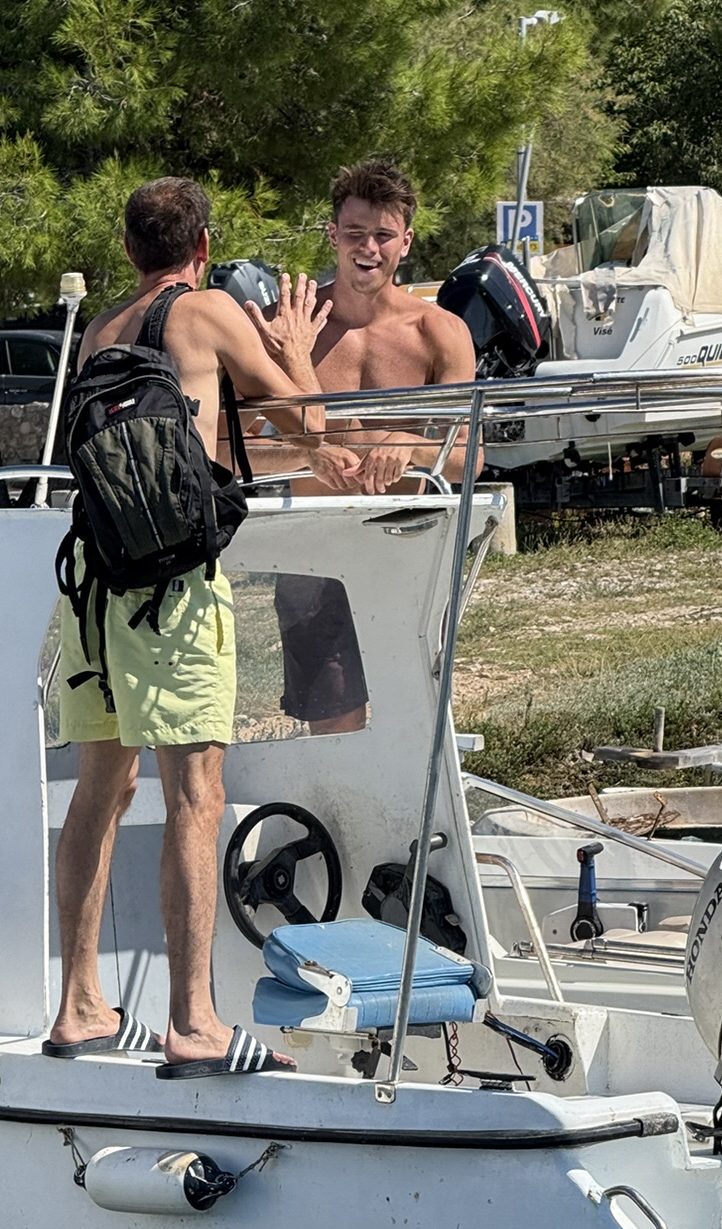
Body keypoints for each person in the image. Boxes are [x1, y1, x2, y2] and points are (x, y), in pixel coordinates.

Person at [44, 176, 330, 1078]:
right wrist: (294, 349)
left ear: (130, 251)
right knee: (197, 797)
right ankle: (194, 1022)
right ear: (203, 247)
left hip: (93, 581)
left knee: (100, 789)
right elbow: (309, 426)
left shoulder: (100, 332)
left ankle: (79, 1005)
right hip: (170, 588)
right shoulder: (208, 313)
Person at [249, 157, 478, 733]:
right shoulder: (285, 328)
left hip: (406, 549)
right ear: (333, 236)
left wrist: (408, 444)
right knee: (334, 730)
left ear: (406, 241)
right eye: (354, 232)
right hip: (313, 552)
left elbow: (468, 458)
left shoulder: (439, 333)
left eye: (382, 235)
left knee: (414, 723)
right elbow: (228, 451)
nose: (368, 248)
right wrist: (306, 455)